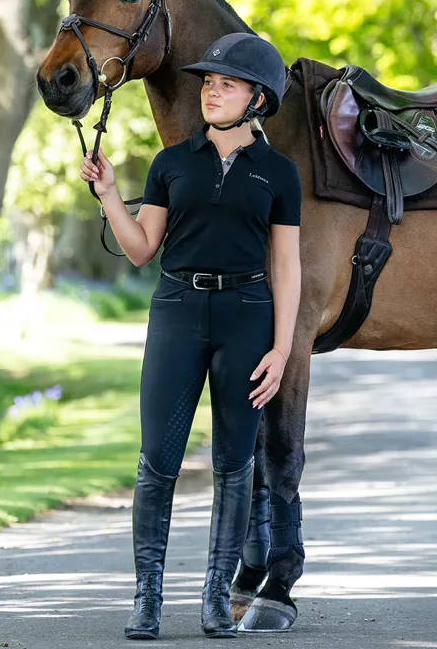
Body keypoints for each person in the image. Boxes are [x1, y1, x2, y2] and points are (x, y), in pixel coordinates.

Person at [79, 32, 302, 639]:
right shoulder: (172, 162)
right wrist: (106, 194)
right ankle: (147, 600)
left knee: (234, 466)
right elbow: (140, 248)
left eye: (227, 84)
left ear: (258, 98)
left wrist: (281, 351)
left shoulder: (279, 173)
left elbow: (287, 265)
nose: (212, 92)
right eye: (209, 82)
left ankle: (213, 600)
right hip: (176, 311)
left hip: (248, 317)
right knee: (158, 463)